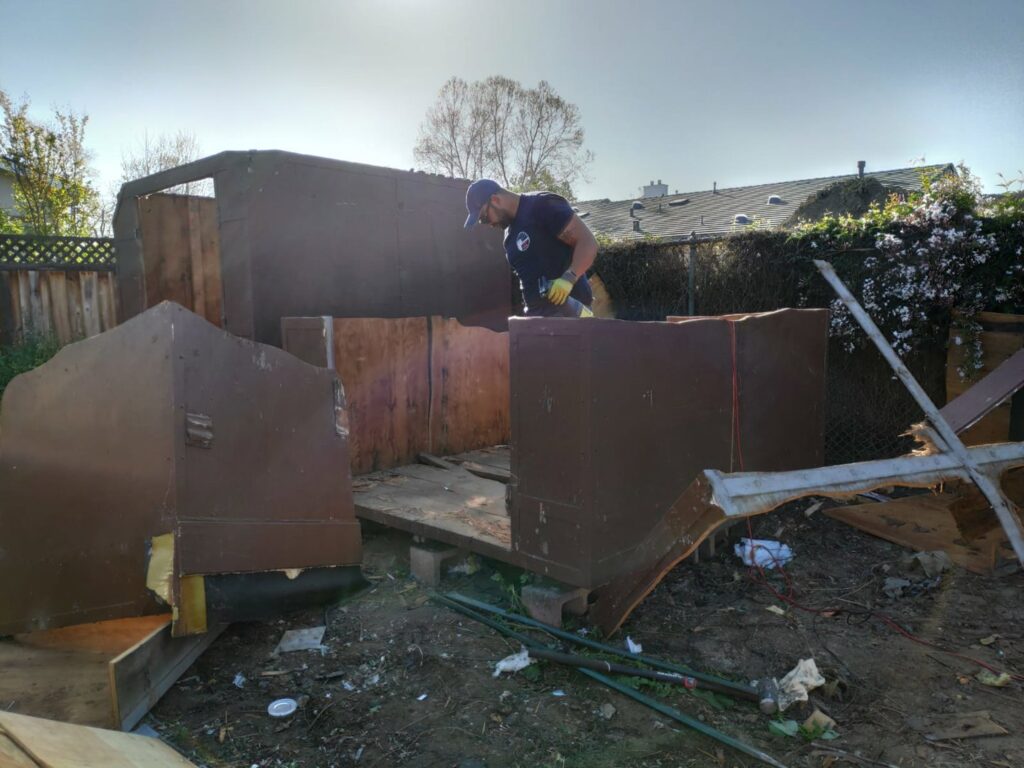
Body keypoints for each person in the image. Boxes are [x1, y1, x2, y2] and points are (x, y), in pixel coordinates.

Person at [463, 179, 597, 317]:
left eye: (484, 217)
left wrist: (569, 278)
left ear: (496, 200)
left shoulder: (542, 206)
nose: (489, 224)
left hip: (570, 312)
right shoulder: (509, 238)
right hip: (537, 317)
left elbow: (587, 242)